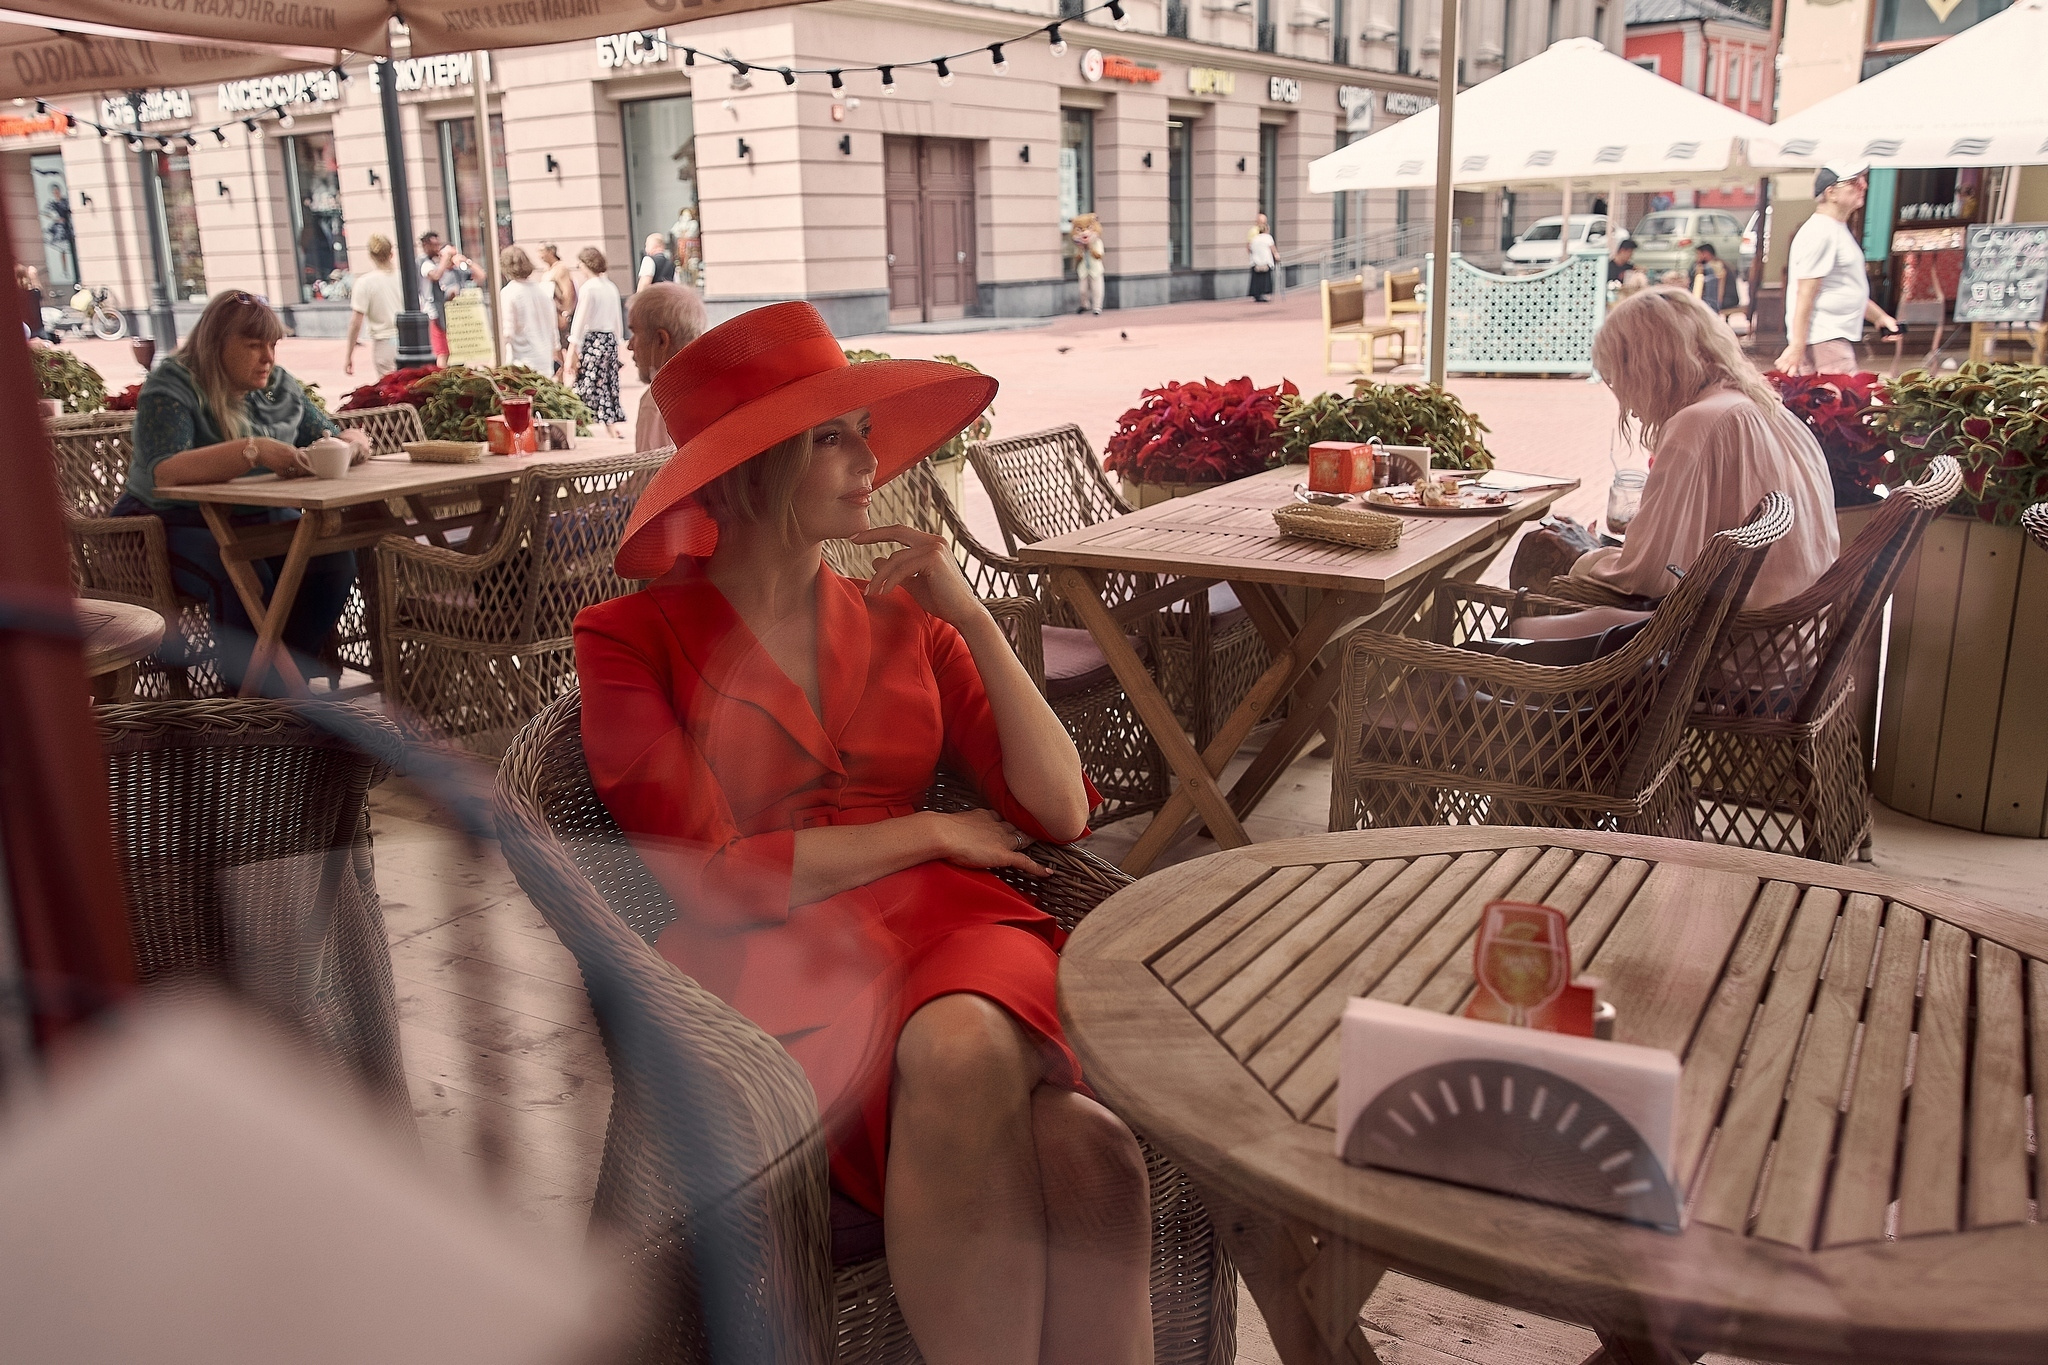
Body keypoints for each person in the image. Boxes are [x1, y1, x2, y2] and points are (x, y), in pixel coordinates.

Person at [575, 301, 1150, 1365]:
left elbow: (1060, 810)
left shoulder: (903, 621)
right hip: (768, 956)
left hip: (950, 930)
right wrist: (928, 830)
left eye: (861, 432)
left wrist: (971, 616)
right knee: (1057, 1126)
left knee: (1095, 1154)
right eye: (828, 437)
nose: (866, 458)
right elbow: (707, 879)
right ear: (747, 471)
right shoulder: (625, 638)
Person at [115, 290, 372, 689]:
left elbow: (325, 436)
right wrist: (253, 450)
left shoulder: (278, 386)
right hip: (160, 523)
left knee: (332, 557)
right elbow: (166, 471)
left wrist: (351, 441)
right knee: (242, 573)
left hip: (251, 516)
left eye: (272, 345)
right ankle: (251, 703)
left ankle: (277, 687)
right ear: (216, 345)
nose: (268, 357)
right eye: (254, 346)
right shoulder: (173, 384)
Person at [1567, 287, 1837, 610]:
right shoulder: (1768, 409)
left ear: (1645, 369)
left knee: (1546, 557)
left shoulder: (1697, 424)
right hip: (1792, 637)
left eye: (1618, 379)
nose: (1622, 399)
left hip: (1734, 647)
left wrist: (1583, 556)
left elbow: (1644, 576)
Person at [1776, 162, 1898, 375]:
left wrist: (1879, 317)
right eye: (1853, 182)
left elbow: (1842, 286)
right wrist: (1797, 345)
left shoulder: (1835, 229)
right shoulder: (1821, 231)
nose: (1864, 185)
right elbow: (1805, 292)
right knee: (1843, 404)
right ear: (1831, 192)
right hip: (1823, 338)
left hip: (1829, 338)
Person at [623, 280, 707, 450]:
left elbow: (649, 475)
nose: (630, 345)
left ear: (661, 340)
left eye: (635, 333)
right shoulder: (715, 385)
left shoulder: (658, 403)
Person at [566, 246, 625, 438]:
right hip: (609, 341)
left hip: (593, 341)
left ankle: (579, 423)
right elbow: (617, 320)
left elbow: (579, 321)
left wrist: (572, 350)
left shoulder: (589, 288)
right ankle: (610, 426)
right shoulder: (611, 287)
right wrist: (618, 342)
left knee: (587, 383)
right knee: (607, 383)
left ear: (586, 264)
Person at [343, 234, 402, 377]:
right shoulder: (403, 277)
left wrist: (349, 355)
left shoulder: (365, 283)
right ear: (391, 254)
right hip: (407, 339)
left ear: (371, 255)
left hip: (384, 342)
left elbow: (355, 323)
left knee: (390, 392)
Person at [498, 245, 560, 374]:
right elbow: (553, 331)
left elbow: (507, 332)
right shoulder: (542, 291)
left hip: (521, 364)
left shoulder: (509, 292)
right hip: (544, 363)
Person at [417, 230, 474, 362]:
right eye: (434, 245)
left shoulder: (433, 263)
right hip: (431, 311)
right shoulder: (425, 263)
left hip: (439, 311)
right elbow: (436, 276)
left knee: (445, 350)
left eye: (438, 244)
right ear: (426, 245)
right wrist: (445, 258)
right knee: (441, 351)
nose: (437, 248)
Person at [539, 243, 577, 371]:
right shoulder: (546, 270)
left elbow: (568, 291)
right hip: (550, 313)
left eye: (542, 251)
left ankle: (565, 373)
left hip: (560, 313)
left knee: (563, 346)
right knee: (555, 347)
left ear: (551, 252)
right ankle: (560, 373)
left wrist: (565, 313)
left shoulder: (561, 269)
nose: (539, 255)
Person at [1688, 242, 1739, 321]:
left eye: (1699, 254)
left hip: (1727, 300)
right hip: (1728, 299)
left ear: (1706, 253)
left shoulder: (1715, 265)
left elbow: (1718, 289)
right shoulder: (1716, 263)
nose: (1697, 257)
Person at [1069, 213, 1105, 316]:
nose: (1084, 232)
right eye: (1080, 229)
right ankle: (1084, 304)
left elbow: (1099, 255)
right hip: (1084, 269)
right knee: (1082, 290)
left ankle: (1097, 307)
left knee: (1097, 289)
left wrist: (1090, 247)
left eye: (1088, 228)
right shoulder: (1079, 246)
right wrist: (1081, 249)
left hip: (1096, 269)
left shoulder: (1097, 242)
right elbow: (1076, 257)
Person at [1247, 212, 1276, 303]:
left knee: (1257, 279)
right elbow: (1272, 249)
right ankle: (1263, 294)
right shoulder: (1266, 237)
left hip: (1256, 261)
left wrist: (1252, 257)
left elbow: (1250, 247)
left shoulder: (1255, 238)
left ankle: (1257, 294)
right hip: (1265, 261)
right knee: (1264, 279)